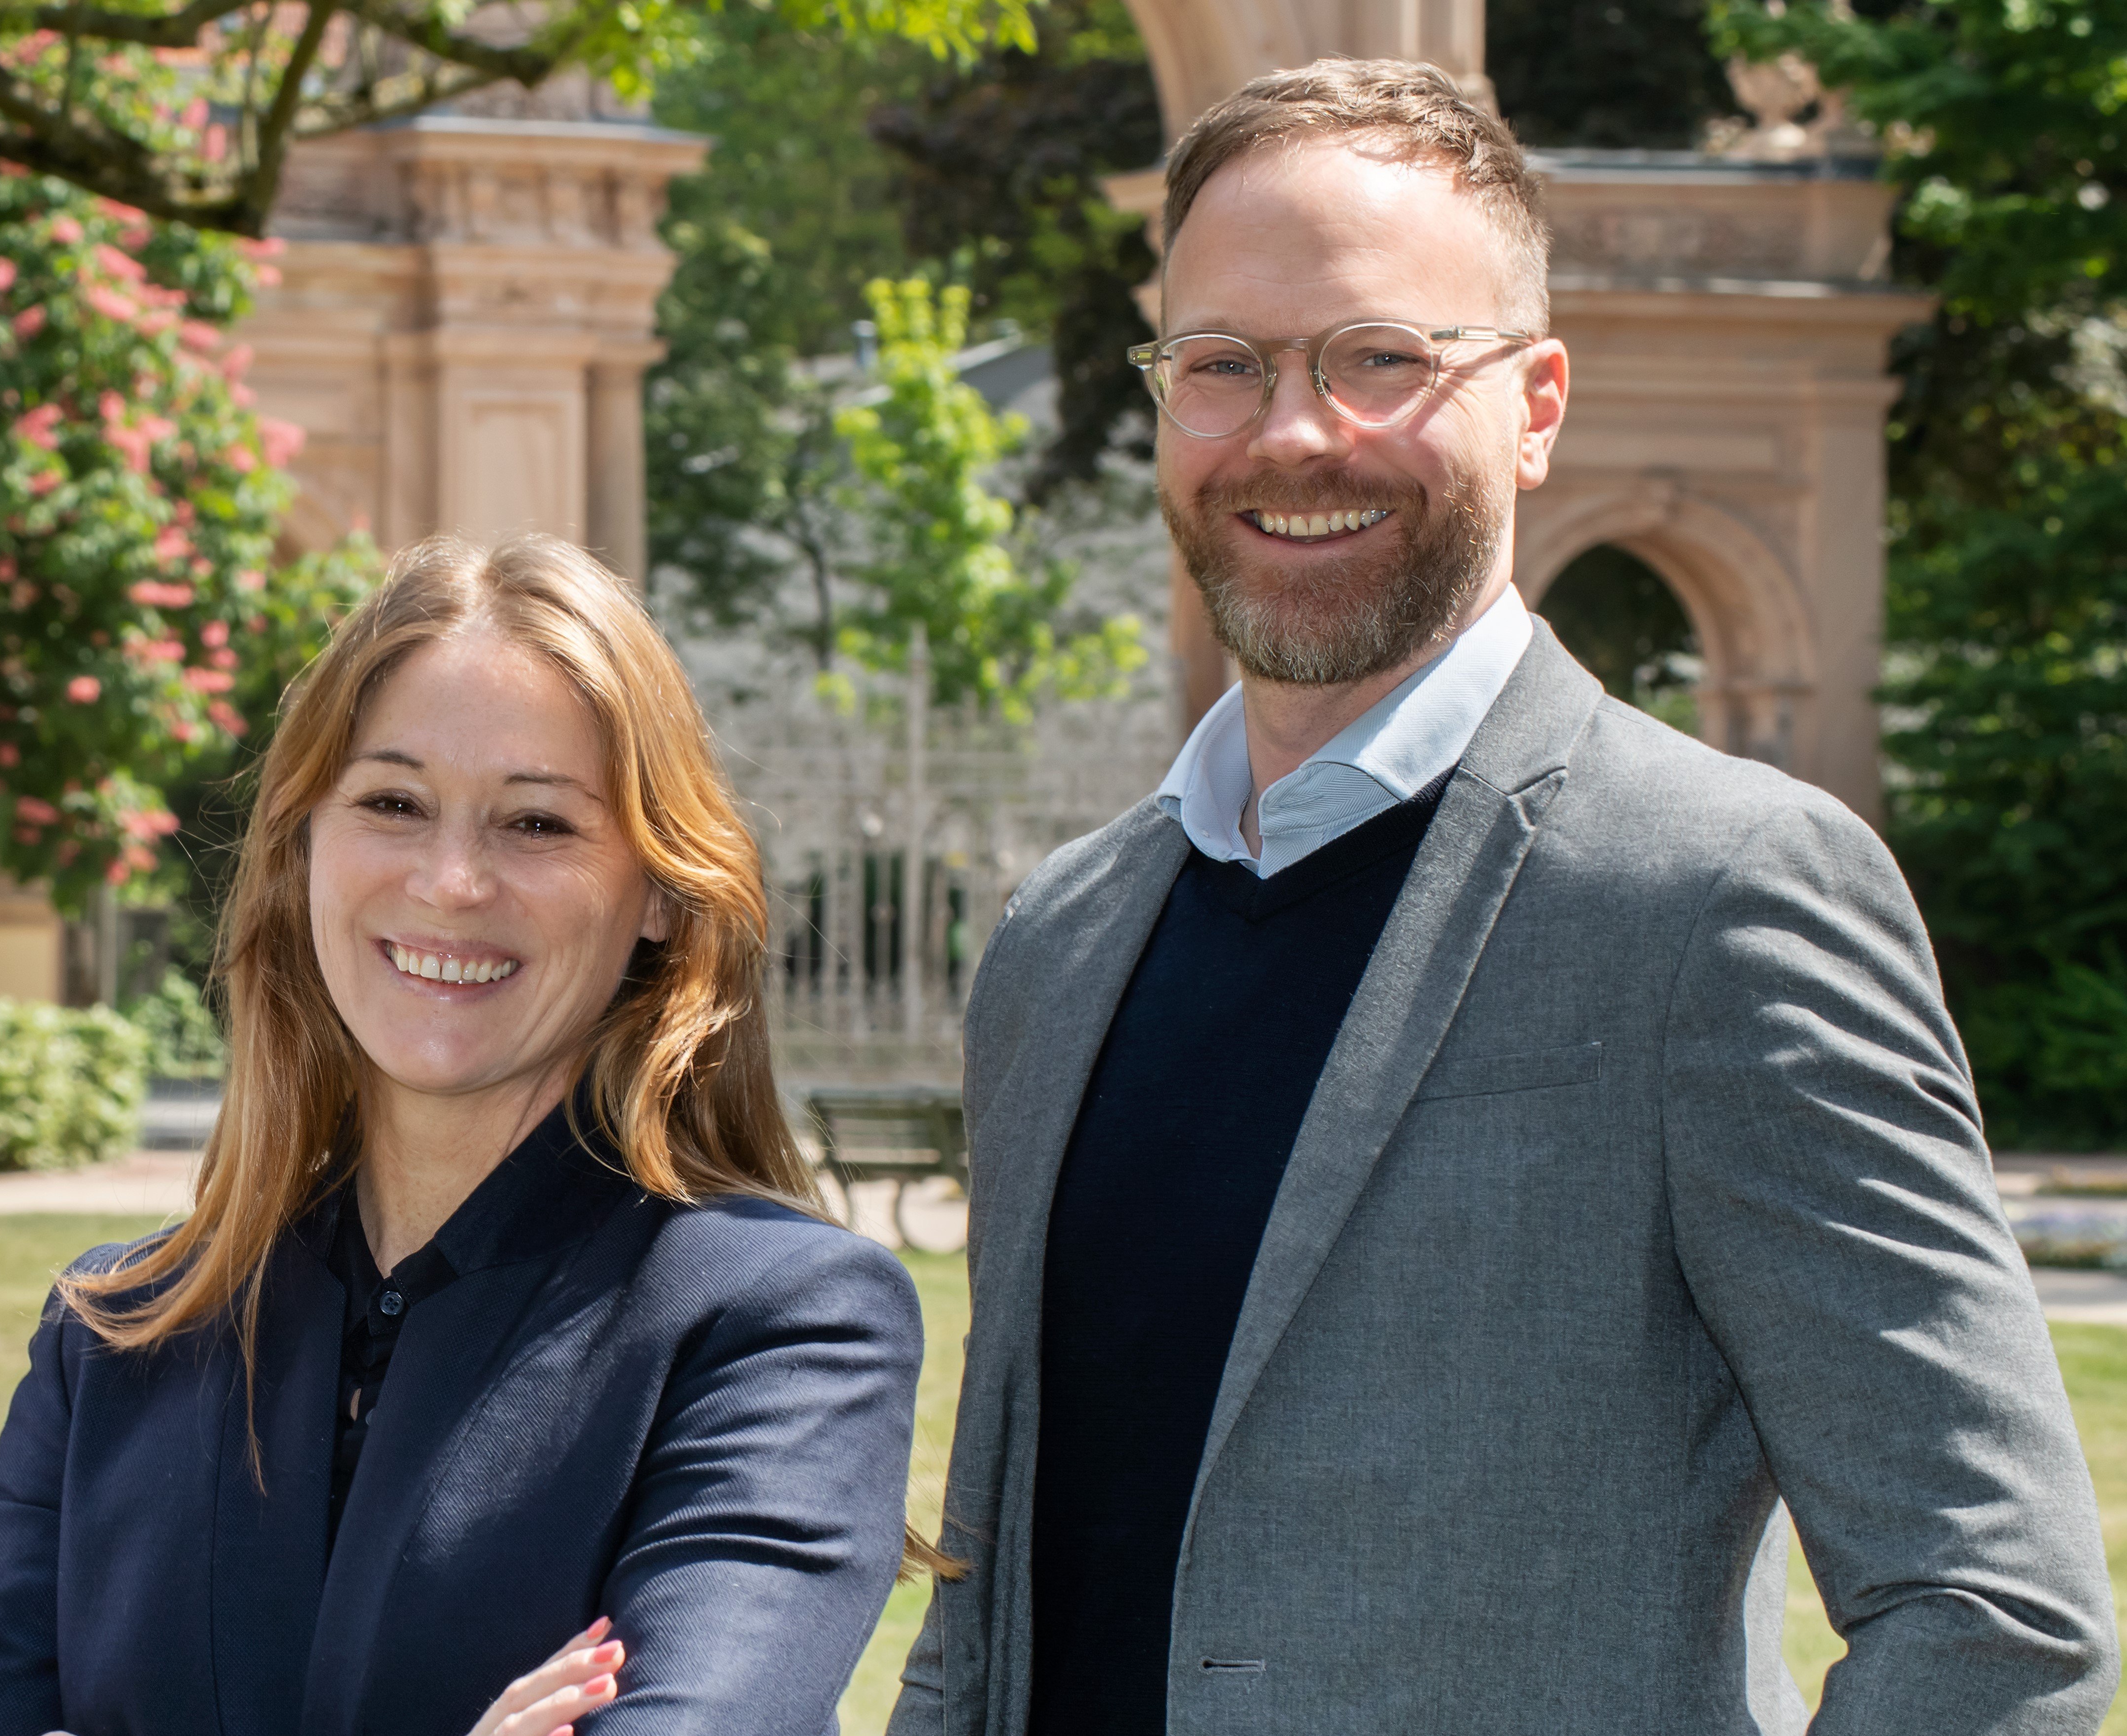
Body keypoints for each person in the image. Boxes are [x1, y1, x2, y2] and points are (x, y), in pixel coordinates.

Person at [886, 59, 2117, 1736]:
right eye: (1221, 363)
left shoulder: (1719, 898)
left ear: (1535, 404)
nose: (1291, 431)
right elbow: (988, 1607)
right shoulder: (1061, 938)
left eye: (1378, 357)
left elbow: (1994, 1615)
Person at [0, 533, 929, 1736]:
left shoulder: (778, 1329)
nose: (451, 880)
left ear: (656, 891)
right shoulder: (116, 1334)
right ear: (301, 848)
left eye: (536, 823)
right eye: (392, 803)